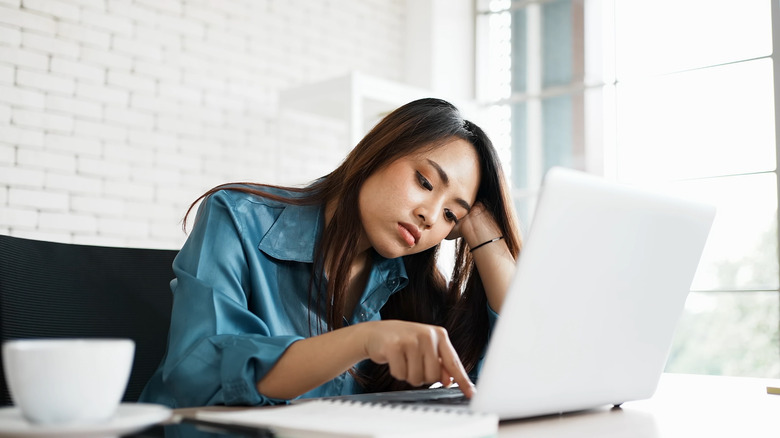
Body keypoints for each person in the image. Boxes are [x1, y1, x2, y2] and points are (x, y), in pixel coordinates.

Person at [139, 98, 521, 408]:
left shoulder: (410, 286)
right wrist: (364, 339)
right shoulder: (237, 218)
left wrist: (486, 235)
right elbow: (200, 374)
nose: (430, 216)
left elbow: (515, 372)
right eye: (424, 181)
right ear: (379, 150)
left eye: (452, 214)